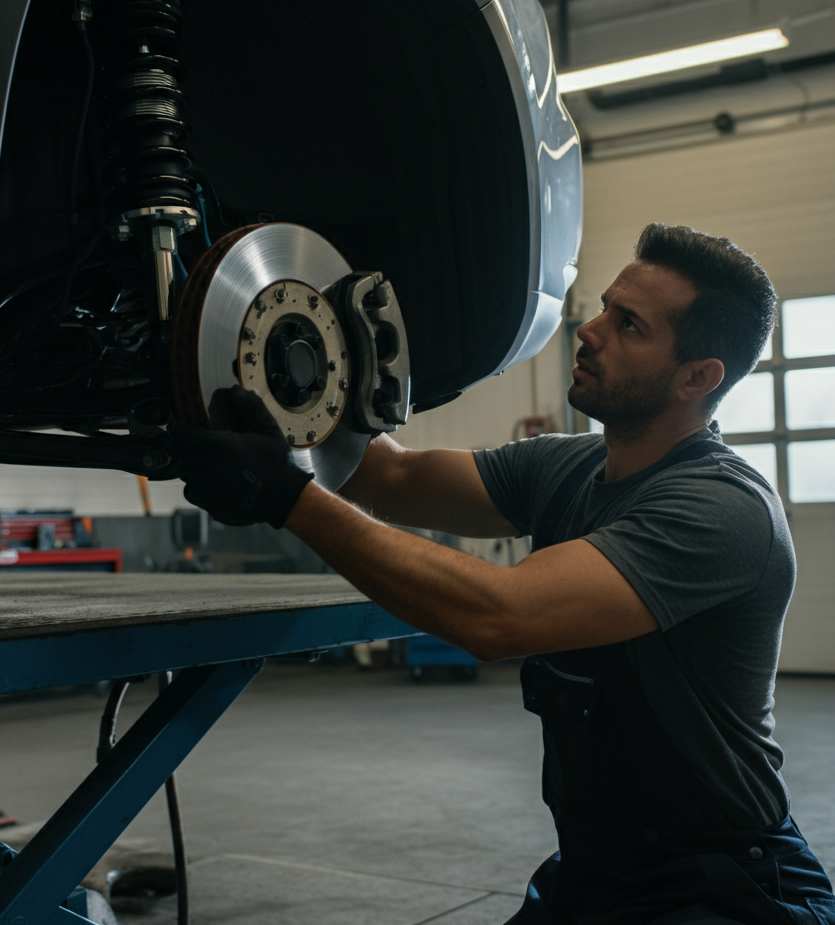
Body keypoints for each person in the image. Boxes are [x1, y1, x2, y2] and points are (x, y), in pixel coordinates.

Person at [171, 223, 835, 925]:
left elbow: (499, 616)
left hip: (721, 883)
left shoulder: (722, 508)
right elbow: (389, 476)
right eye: (605, 307)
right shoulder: (566, 466)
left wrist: (285, 494)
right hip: (596, 866)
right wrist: (296, 386)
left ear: (698, 377)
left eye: (630, 325)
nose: (591, 331)